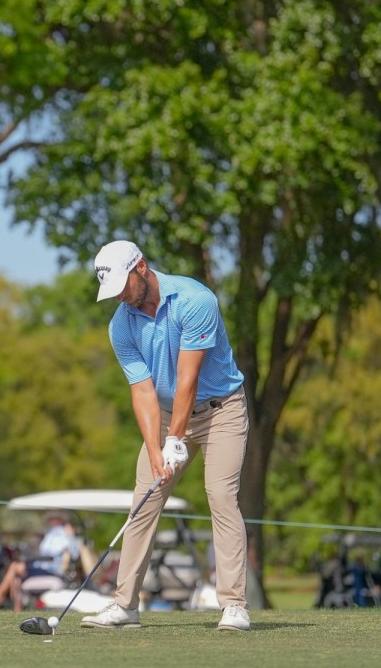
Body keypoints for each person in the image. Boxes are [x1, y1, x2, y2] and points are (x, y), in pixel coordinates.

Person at [79, 240, 250, 632]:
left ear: (141, 267)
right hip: (167, 413)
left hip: (221, 410)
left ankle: (234, 605)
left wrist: (175, 441)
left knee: (220, 495)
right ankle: (125, 605)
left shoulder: (196, 300)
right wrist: (158, 449)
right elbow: (143, 391)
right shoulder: (121, 324)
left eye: (124, 285)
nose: (121, 297)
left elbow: (188, 379)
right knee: (144, 501)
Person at [0, 511, 80, 612]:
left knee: (15, 566)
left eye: (55, 518)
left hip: (52, 570)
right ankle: (16, 610)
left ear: (61, 520)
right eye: (50, 519)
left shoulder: (64, 534)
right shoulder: (50, 533)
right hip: (42, 567)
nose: (51, 521)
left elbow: (73, 553)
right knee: (16, 577)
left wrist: (71, 536)